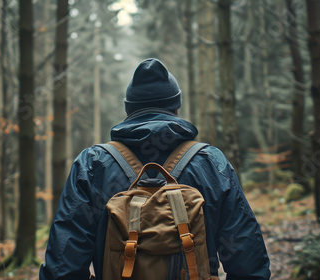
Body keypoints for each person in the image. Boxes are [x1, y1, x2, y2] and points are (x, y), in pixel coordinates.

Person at [39, 58, 271, 279]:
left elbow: (62, 266)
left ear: (129, 110)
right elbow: (248, 260)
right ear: (175, 106)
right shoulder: (210, 162)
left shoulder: (92, 165)